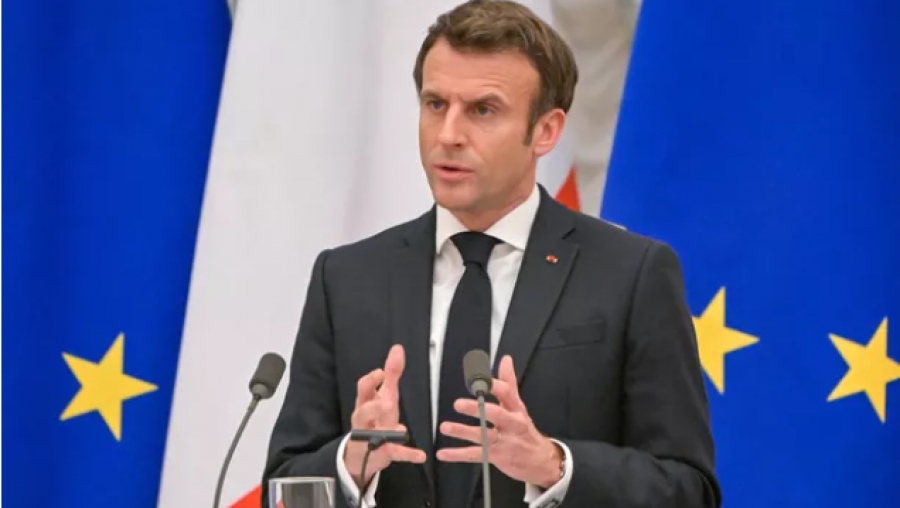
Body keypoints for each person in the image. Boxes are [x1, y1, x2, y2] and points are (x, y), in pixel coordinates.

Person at [263, 1, 720, 507]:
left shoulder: (630, 274)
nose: (449, 135)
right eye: (436, 104)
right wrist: (351, 463)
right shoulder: (348, 278)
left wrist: (553, 465)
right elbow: (282, 487)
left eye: (483, 110)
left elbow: (689, 491)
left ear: (545, 131)